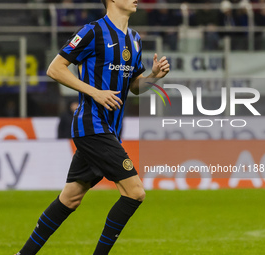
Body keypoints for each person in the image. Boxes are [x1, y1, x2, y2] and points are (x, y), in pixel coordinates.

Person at [14, 0, 169, 254]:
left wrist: (153, 77)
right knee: (135, 192)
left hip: (110, 130)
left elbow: (135, 87)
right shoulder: (92, 32)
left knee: (71, 198)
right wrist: (95, 92)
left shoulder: (135, 39)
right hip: (92, 126)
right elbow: (55, 69)